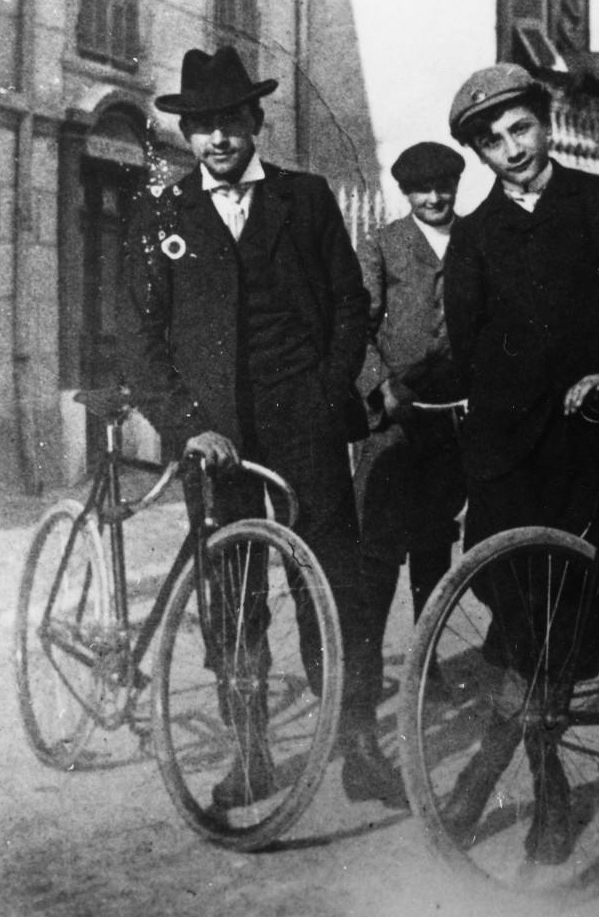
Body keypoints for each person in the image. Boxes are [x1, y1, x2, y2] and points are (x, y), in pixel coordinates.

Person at [117, 45, 405, 809]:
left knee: (333, 585)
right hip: (215, 441)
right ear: (187, 134)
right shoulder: (161, 212)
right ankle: (251, 755)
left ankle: (360, 746)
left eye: (231, 123)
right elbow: (140, 339)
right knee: (231, 596)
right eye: (202, 126)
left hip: (305, 425)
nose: (217, 140)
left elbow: (350, 304)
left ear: (257, 122)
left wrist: (325, 388)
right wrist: (185, 430)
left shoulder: (305, 200)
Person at [439, 63, 599, 862]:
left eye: (521, 128)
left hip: (591, 449)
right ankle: (507, 758)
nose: (511, 149)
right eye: (492, 141)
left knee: (565, 621)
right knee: (517, 619)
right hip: (505, 461)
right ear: (479, 153)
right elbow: (466, 352)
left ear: (545, 122)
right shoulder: (475, 237)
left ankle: (538, 778)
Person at [354, 141, 467, 668]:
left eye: (444, 185)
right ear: (405, 192)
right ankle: (367, 668)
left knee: (434, 545)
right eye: (423, 188)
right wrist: (382, 388)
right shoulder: (383, 244)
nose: (435, 197)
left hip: (453, 417)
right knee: (378, 546)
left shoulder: (474, 241)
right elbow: (357, 327)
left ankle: (426, 665)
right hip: (395, 420)